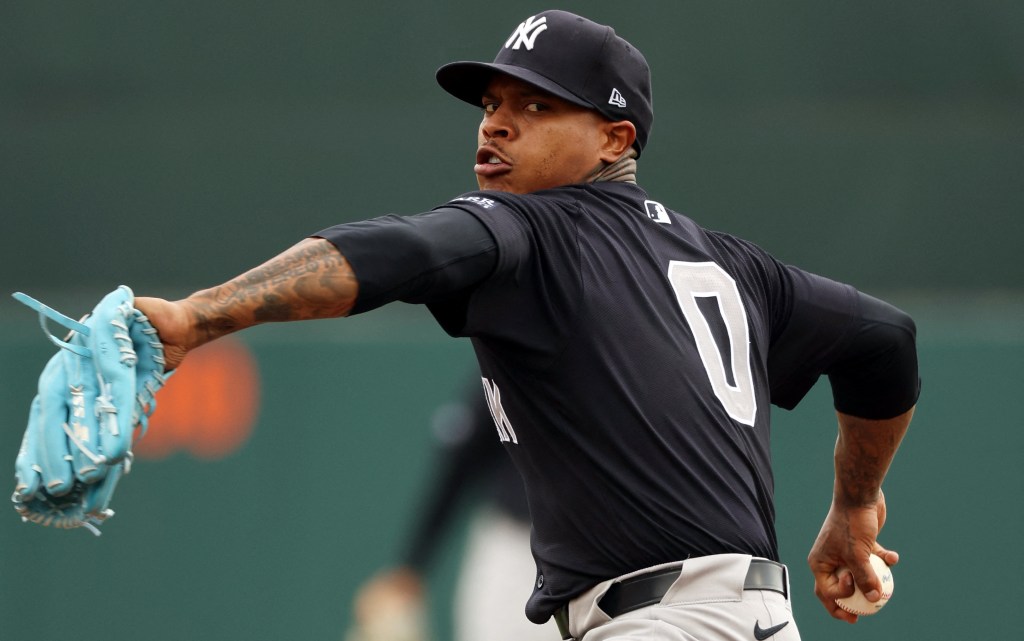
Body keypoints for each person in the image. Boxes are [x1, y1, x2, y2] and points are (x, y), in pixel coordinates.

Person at [130, 10, 919, 640]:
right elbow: (884, 339)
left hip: (659, 624)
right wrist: (855, 504)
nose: (497, 125)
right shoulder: (737, 265)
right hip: (759, 620)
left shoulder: (536, 232)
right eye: (493, 105)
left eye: (536, 106)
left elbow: (400, 249)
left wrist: (197, 315)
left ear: (617, 139)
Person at [348, 380, 554, 641]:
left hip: (589, 549)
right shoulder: (506, 357)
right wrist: (411, 566)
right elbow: (457, 464)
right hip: (514, 541)